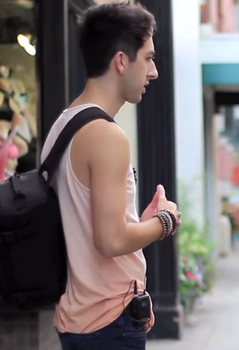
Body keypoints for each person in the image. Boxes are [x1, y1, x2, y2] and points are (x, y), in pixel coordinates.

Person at [40, 3, 180, 349]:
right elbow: (110, 241)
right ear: (121, 61)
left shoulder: (63, 124)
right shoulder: (106, 135)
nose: (154, 71)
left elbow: (92, 228)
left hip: (81, 318)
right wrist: (166, 221)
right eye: (147, 58)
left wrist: (137, 221)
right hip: (108, 323)